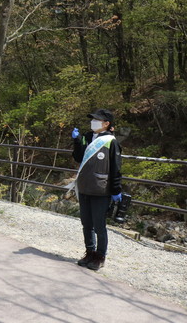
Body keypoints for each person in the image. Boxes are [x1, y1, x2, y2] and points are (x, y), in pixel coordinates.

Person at [71, 109, 122, 271]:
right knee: (86, 223)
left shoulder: (111, 142)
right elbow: (79, 158)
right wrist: (77, 141)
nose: (93, 122)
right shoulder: (87, 137)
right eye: (93, 119)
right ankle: (90, 252)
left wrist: (116, 190)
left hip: (101, 189)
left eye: (97, 120)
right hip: (85, 187)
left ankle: (100, 256)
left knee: (99, 225)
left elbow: (116, 168)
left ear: (107, 124)